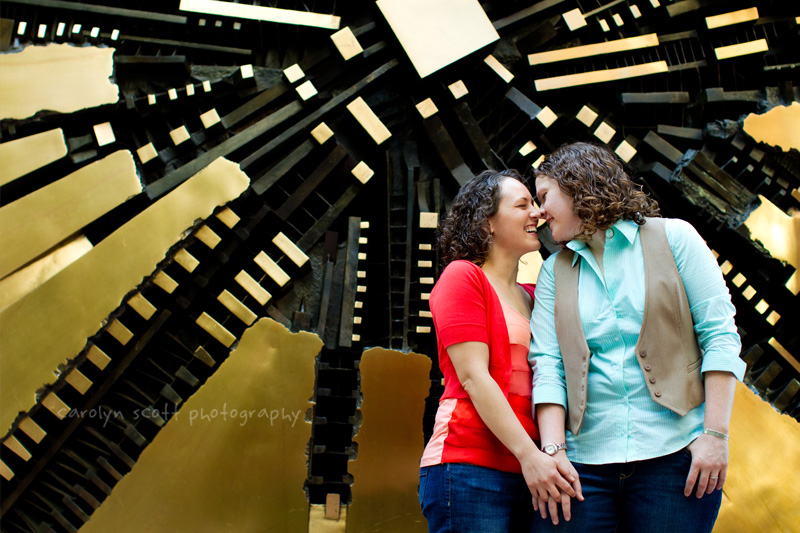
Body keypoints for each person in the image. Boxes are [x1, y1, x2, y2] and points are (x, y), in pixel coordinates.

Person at [529, 142, 745, 532]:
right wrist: (554, 451)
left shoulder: (676, 238)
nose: (539, 213)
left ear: (577, 183)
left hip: (676, 456)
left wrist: (715, 435)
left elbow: (720, 336)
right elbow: (548, 365)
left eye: (544, 197)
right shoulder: (551, 273)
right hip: (582, 469)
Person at [419, 169, 581, 533]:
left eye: (535, 205)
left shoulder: (535, 294)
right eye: (522, 205)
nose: (537, 213)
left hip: (531, 471)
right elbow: (475, 378)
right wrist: (531, 457)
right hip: (467, 467)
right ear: (487, 222)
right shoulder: (463, 277)